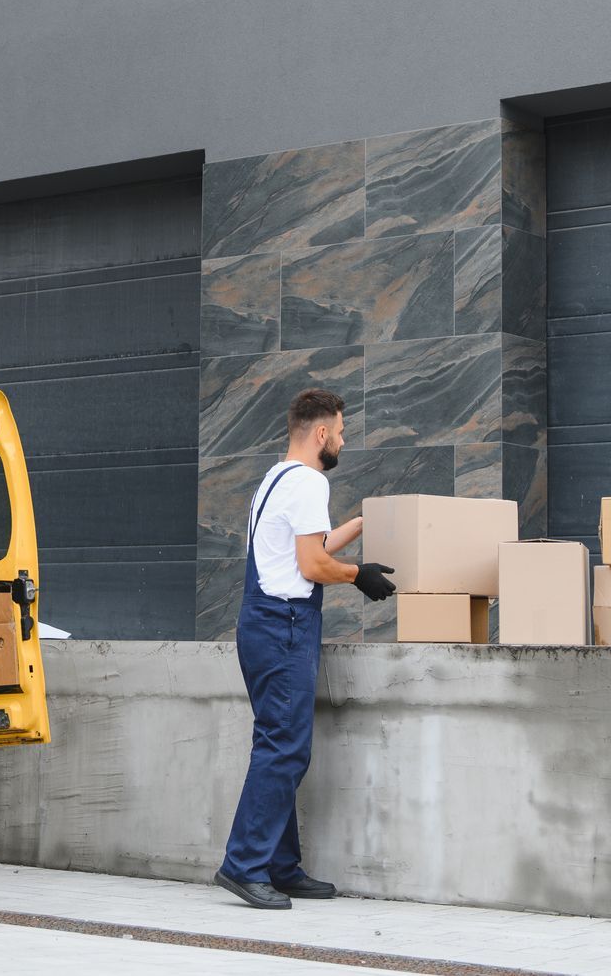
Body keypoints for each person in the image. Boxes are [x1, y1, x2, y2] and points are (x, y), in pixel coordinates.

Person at [214, 387, 396, 910]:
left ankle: (279, 865)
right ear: (321, 433)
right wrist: (358, 575)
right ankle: (244, 865)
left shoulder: (275, 479)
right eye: (339, 431)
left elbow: (305, 550)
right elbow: (313, 568)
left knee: (278, 742)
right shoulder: (311, 482)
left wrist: (356, 530)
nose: (342, 440)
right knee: (285, 747)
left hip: (261, 621)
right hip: (284, 625)